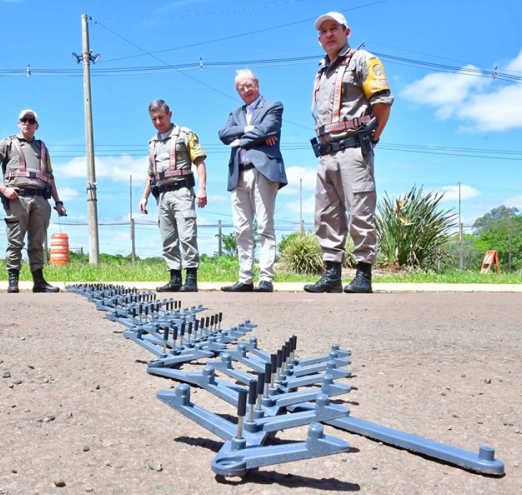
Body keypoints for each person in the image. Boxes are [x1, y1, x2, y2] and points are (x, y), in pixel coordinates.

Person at [304, 12, 393, 294]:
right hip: (325, 153)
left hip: (354, 149)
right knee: (326, 215)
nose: (329, 34)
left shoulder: (362, 59)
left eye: (334, 28)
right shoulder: (322, 70)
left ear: (347, 32)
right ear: (319, 39)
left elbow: (382, 103)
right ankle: (332, 275)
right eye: (323, 31)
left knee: (360, 211)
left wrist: (372, 139)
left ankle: (363, 274)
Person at [0, 109, 67, 293]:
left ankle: (39, 282)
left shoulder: (42, 148)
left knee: (37, 243)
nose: (27, 123)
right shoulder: (8, 143)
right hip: (17, 198)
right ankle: (13, 281)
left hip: (41, 199)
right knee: (15, 242)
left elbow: (50, 177)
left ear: (37, 125)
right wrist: (3, 188)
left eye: (31, 120)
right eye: (24, 120)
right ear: (19, 123)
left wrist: (58, 202)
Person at [218, 69, 287, 292]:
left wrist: (239, 139)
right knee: (242, 229)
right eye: (241, 88)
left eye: (248, 85)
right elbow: (223, 134)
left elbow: (269, 128)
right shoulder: (234, 112)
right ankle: (245, 278)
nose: (245, 90)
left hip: (263, 172)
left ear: (257, 84)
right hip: (238, 174)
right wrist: (251, 130)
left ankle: (266, 278)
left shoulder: (273, 106)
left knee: (265, 226)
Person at [139, 99, 208, 292]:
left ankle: (191, 278)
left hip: (182, 192)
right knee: (167, 238)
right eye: (154, 119)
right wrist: (144, 197)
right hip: (162, 195)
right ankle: (174, 278)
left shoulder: (185, 134)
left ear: (169, 114)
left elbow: (199, 162)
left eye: (161, 117)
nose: (158, 122)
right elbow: (151, 174)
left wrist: (202, 189)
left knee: (187, 235)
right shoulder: (152, 143)